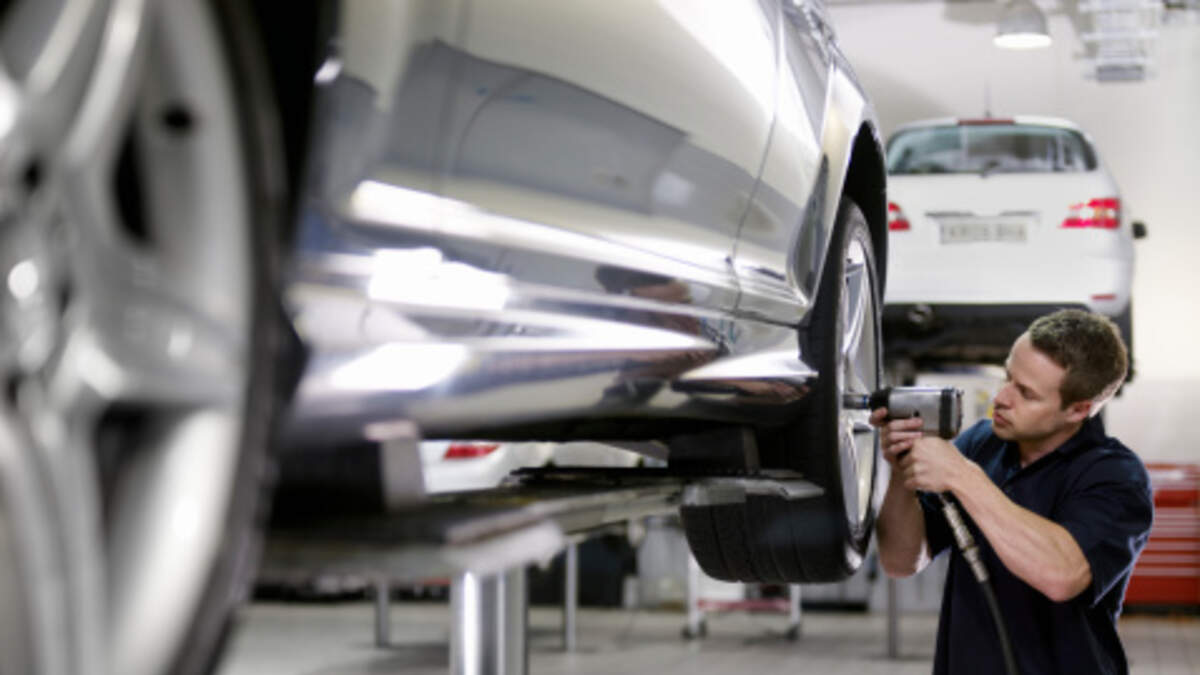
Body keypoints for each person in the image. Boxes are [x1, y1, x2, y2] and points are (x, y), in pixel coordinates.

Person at [872, 309, 1153, 675]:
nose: (1001, 398)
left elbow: (1063, 576)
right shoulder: (982, 443)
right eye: (1007, 377)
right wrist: (902, 470)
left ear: (1078, 409)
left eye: (1026, 393)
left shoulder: (1115, 476)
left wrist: (962, 477)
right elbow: (900, 561)